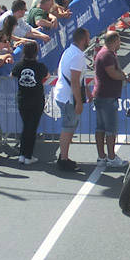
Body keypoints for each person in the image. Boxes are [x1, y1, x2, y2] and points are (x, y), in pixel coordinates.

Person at [92, 30, 129, 170]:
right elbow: (112, 73)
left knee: (101, 128)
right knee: (110, 129)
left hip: (102, 95)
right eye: (119, 41)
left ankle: (102, 157)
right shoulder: (107, 55)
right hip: (107, 96)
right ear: (114, 41)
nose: (120, 43)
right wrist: (125, 77)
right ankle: (112, 157)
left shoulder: (106, 53)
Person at [55, 28, 90, 172]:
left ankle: (63, 156)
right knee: (68, 128)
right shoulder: (78, 56)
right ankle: (63, 159)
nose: (89, 40)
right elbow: (75, 81)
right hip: (68, 97)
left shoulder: (70, 51)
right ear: (83, 40)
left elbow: (77, 79)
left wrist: (87, 92)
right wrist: (79, 102)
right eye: (88, 38)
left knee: (68, 127)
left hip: (63, 94)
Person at [11, 42, 49, 165]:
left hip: (23, 99)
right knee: (31, 128)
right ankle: (28, 155)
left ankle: (22, 154)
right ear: (36, 53)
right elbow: (47, 76)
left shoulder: (19, 65)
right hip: (36, 100)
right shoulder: (40, 66)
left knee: (26, 127)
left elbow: (11, 75)